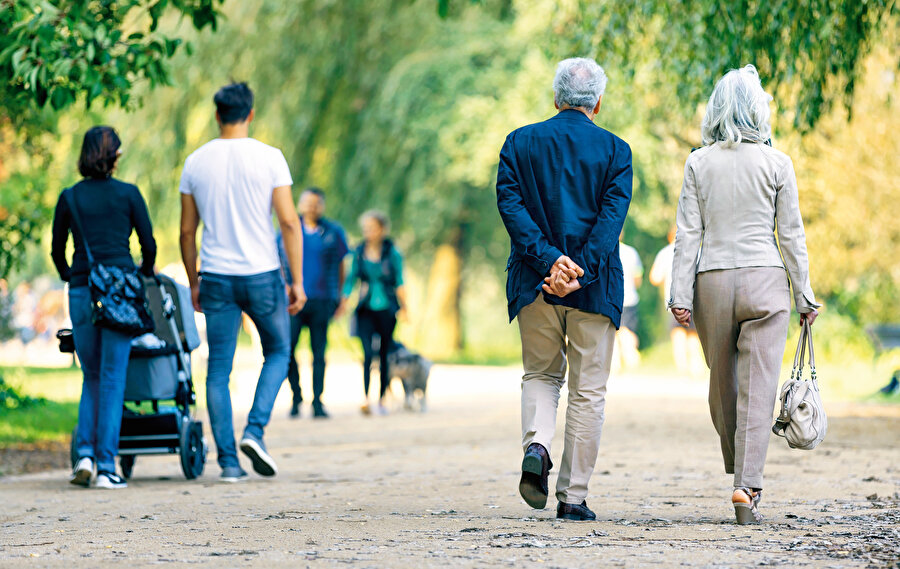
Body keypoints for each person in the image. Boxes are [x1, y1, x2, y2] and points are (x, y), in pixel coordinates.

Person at [668, 65, 820, 524]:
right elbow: (791, 236)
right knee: (758, 385)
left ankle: (738, 468)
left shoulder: (698, 162)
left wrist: (680, 293)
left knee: (723, 384)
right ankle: (746, 485)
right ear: (759, 112)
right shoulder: (777, 163)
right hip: (766, 281)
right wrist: (805, 295)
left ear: (715, 111)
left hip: (712, 282)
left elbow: (687, 235)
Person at [496, 57, 632, 521]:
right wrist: (577, 270)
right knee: (588, 391)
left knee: (540, 374)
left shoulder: (518, 143)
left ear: (556, 99)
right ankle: (572, 497)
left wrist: (548, 262)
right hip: (594, 290)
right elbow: (609, 224)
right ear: (598, 102)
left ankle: (537, 445)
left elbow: (511, 209)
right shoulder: (617, 151)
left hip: (533, 283)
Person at [179, 82, 306, 482]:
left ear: (218, 115)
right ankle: (255, 430)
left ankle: (229, 463)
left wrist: (193, 281)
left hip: (215, 275)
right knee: (280, 350)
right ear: (250, 114)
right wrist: (297, 281)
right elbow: (288, 221)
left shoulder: (195, 162)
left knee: (218, 370)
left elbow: (186, 232)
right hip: (262, 274)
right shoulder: (270, 158)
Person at [51, 126, 157, 489]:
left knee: (91, 376)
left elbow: (57, 251)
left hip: (82, 291)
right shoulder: (128, 194)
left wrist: (74, 276)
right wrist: (136, 276)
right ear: (114, 156)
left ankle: (84, 456)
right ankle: (108, 467)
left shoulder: (70, 197)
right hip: (120, 295)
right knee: (113, 379)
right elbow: (149, 245)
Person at [277, 187, 349, 419]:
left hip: (322, 299)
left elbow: (341, 265)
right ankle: (296, 397)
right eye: (307, 202)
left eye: (316, 203)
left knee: (319, 353)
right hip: (293, 301)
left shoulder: (333, 232)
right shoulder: (289, 228)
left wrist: (338, 297)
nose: (311, 207)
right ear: (300, 204)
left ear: (322, 206)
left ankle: (318, 401)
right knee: (288, 351)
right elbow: (276, 259)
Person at [340, 210, 407, 416]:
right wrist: (343, 302)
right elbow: (351, 279)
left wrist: (405, 308)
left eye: (372, 228)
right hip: (365, 308)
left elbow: (399, 282)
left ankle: (382, 398)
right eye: (366, 229)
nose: (368, 232)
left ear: (382, 229)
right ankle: (366, 398)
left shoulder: (392, 252)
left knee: (385, 353)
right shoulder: (358, 252)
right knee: (368, 354)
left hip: (387, 308)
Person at [650, 227, 704, 375]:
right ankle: (696, 367)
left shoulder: (665, 253)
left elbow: (654, 277)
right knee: (693, 335)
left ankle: (682, 368)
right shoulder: (698, 251)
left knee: (678, 335)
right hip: (695, 299)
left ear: (670, 237)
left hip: (673, 300)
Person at [615, 234, 642, 370]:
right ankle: (632, 360)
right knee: (627, 331)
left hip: (612, 298)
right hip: (630, 298)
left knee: (614, 333)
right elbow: (638, 278)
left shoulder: (604, 250)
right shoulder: (632, 252)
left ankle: (617, 364)